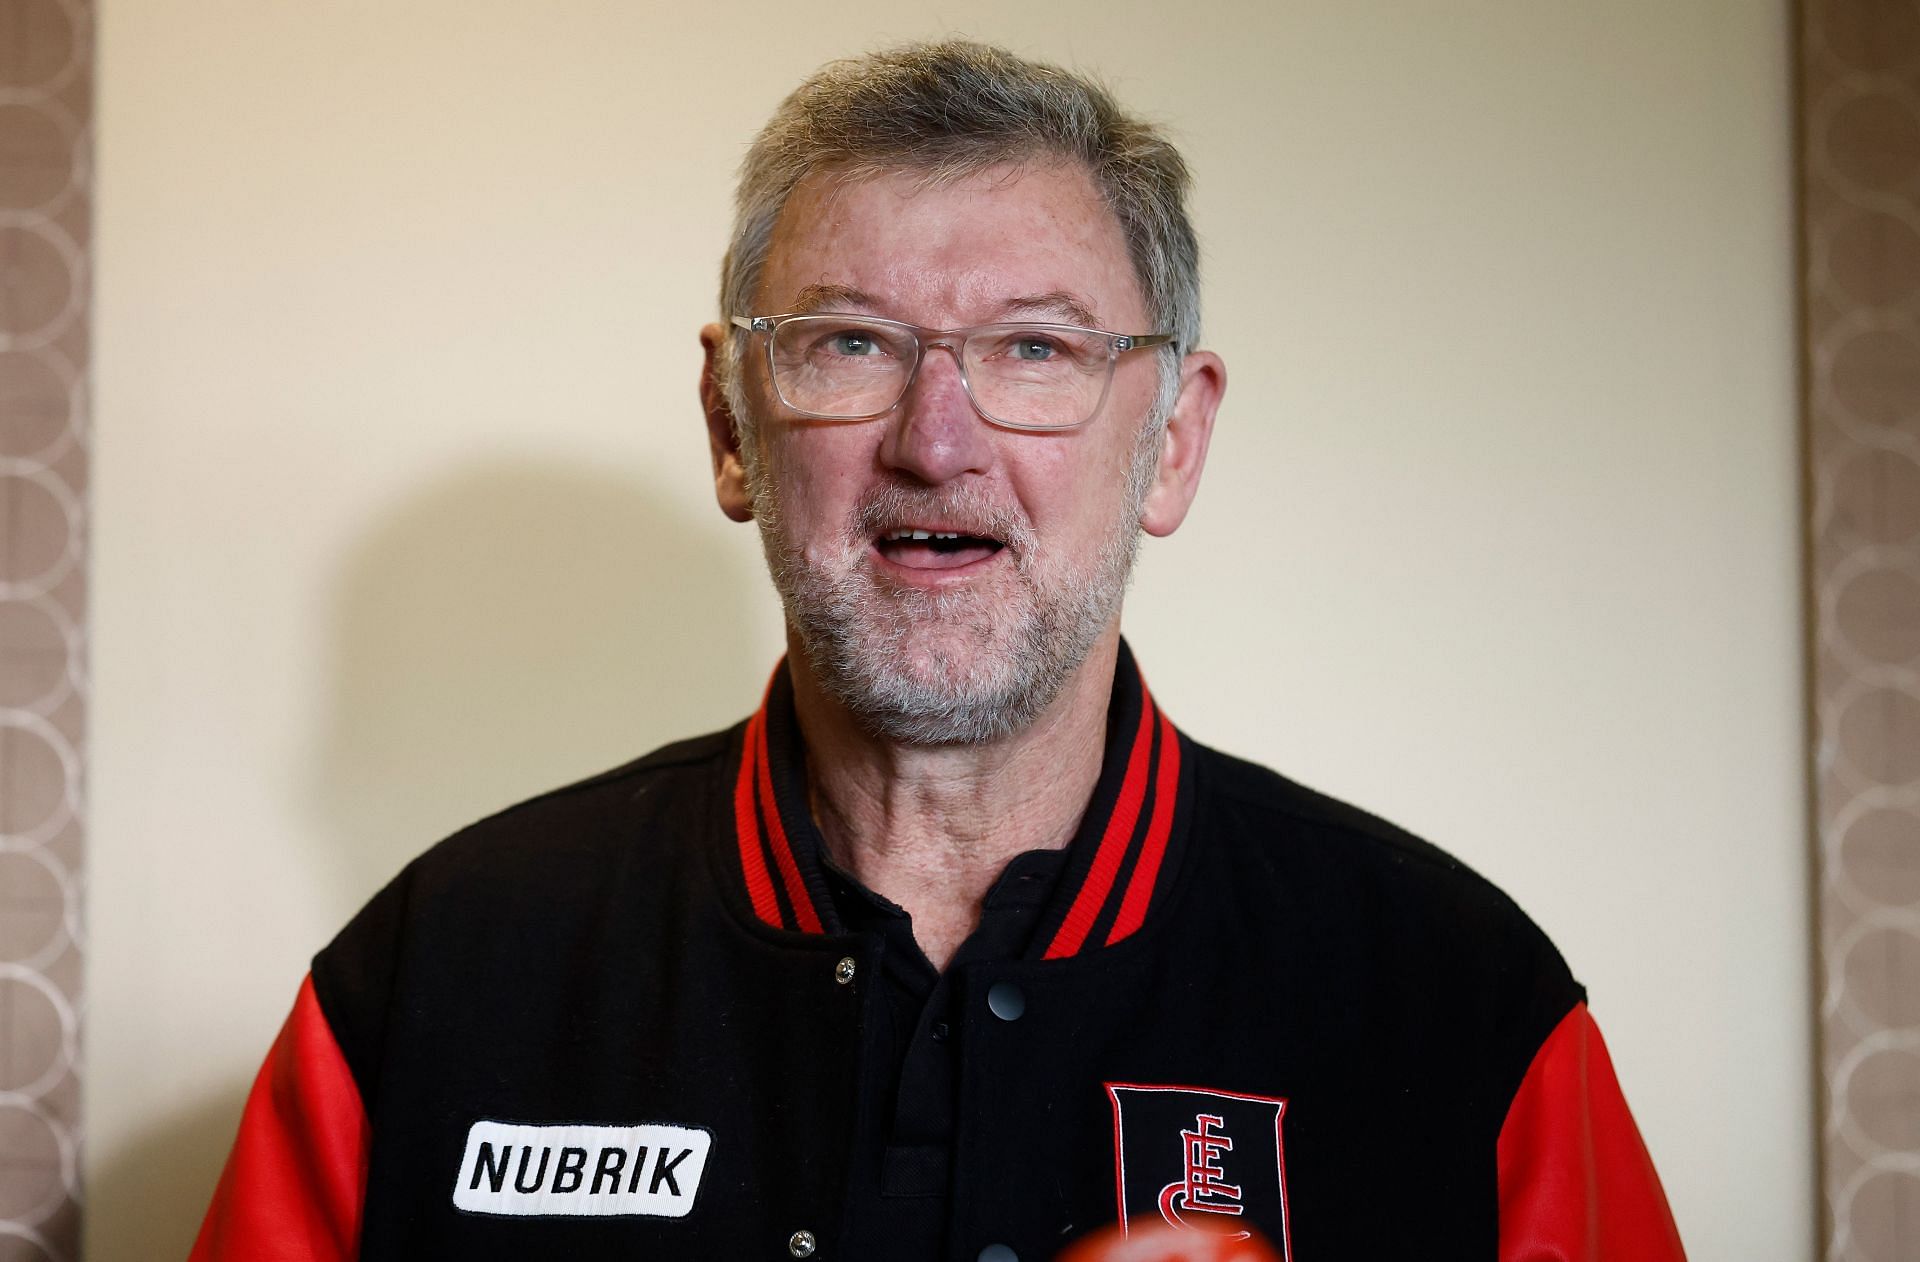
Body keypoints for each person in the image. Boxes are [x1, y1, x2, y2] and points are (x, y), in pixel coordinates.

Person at [190, 41, 1685, 1262]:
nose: (937, 439)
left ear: (1173, 443)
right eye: (850, 342)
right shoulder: (434, 975)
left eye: (1037, 348)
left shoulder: (1461, 1007)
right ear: (731, 427)